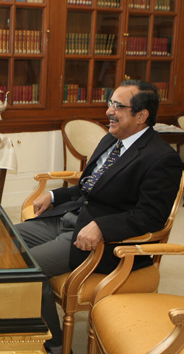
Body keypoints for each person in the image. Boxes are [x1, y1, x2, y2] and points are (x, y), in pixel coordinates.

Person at [16, 79, 182, 354]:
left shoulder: (162, 158)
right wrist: (56, 196)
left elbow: (151, 216)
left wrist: (102, 227)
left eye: (118, 106)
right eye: (110, 103)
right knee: (4, 241)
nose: (108, 111)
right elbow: (87, 186)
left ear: (141, 116)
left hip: (101, 241)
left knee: (25, 268)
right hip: (69, 216)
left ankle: (53, 346)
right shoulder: (112, 139)